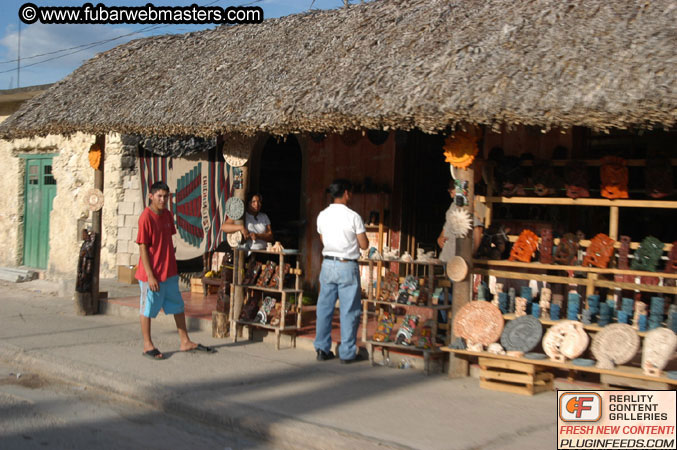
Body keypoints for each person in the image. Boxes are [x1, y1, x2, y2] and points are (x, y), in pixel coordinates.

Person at [135, 181, 216, 360]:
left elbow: (167, 242)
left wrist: (172, 265)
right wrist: (150, 275)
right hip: (152, 273)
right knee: (147, 308)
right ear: (151, 196)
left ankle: (185, 340)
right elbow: (143, 248)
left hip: (169, 271)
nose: (163, 200)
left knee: (177, 306)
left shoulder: (167, 215)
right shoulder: (145, 218)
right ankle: (147, 344)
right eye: (159, 196)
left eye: (166, 196)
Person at [314, 179, 369, 363]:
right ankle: (346, 353)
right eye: (350, 192)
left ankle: (322, 349)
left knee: (324, 309)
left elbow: (323, 239)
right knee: (349, 310)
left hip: (328, 263)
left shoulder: (322, 215)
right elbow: (364, 244)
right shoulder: (353, 216)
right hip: (347, 265)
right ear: (346, 193)